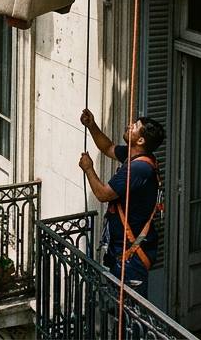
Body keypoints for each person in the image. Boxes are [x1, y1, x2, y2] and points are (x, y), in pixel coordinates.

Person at [77, 108, 165, 293]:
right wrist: (92, 126)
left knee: (128, 305)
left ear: (140, 140)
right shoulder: (136, 156)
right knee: (117, 300)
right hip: (123, 249)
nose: (129, 126)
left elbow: (103, 194)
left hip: (131, 254)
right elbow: (108, 148)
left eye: (135, 126)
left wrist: (89, 169)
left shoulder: (138, 168)